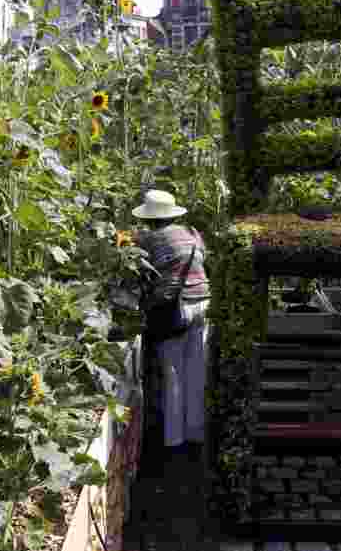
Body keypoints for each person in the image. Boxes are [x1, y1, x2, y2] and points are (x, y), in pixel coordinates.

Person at [131, 190, 210, 472]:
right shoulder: (192, 233)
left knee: (172, 373)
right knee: (196, 371)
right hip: (203, 303)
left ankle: (173, 442)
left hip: (173, 310)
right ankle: (195, 434)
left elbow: (138, 275)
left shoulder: (148, 240)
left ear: (150, 219)